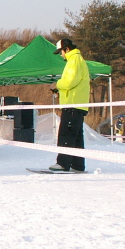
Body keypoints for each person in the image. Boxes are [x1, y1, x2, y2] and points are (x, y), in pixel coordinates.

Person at [49, 38, 90, 172]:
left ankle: (63, 163)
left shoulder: (74, 61)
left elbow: (70, 81)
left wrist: (58, 84)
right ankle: (77, 164)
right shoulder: (77, 60)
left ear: (67, 49)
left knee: (66, 134)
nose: (61, 55)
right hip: (76, 104)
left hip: (72, 105)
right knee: (76, 137)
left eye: (61, 52)